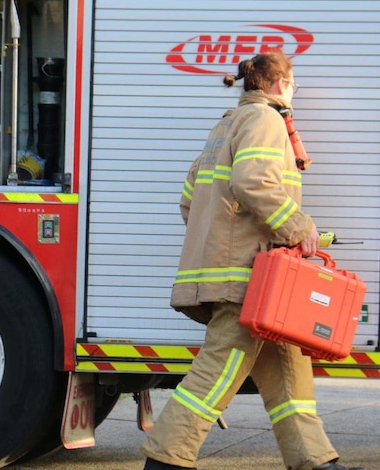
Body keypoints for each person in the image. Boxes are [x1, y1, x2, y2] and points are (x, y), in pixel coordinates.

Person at [139, 51, 366, 470]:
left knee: (290, 384)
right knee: (217, 374)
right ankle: (165, 460)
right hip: (247, 281)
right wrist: (298, 228)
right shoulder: (266, 120)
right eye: (294, 84)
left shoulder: (225, 125)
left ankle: (318, 462)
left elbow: (190, 200)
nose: (294, 92)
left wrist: (226, 238)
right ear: (280, 84)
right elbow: (252, 182)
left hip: (258, 283)